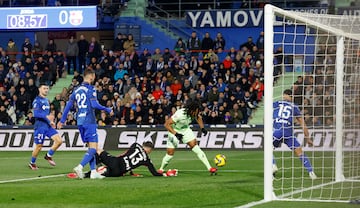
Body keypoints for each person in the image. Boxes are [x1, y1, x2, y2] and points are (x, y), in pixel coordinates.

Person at [57, 68, 113, 179]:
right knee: (94, 148)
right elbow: (94, 105)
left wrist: (62, 120)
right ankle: (80, 166)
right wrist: (107, 109)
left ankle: (93, 172)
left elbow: (68, 105)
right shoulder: (91, 88)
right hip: (89, 120)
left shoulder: (76, 90)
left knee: (90, 148)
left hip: (80, 121)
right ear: (91, 76)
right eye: (94, 76)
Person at [159, 100, 217, 174]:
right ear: (191, 110)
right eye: (196, 110)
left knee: (194, 145)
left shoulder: (194, 113)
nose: (197, 112)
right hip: (174, 130)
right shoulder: (180, 114)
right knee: (170, 153)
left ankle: (210, 168)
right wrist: (176, 134)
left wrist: (202, 128)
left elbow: (198, 117)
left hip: (185, 130)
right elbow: (167, 124)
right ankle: (161, 169)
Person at [272, 89, 317, 179]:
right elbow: (303, 124)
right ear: (291, 97)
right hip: (288, 132)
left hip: (277, 130)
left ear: (285, 95)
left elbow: (267, 115)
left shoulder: (276, 103)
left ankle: (273, 166)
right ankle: (311, 172)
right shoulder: (295, 107)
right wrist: (308, 138)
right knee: (300, 153)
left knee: (268, 149)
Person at [76, 141, 177, 178]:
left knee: (96, 149)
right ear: (149, 150)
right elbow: (155, 173)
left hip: (117, 161)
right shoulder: (147, 160)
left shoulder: (136, 145)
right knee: (105, 172)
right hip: (119, 172)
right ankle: (88, 174)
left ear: (143, 145)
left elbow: (125, 153)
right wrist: (165, 174)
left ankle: (95, 167)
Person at [29, 83, 63, 170]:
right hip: (40, 126)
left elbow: (46, 114)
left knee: (59, 141)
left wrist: (50, 121)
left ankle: (48, 155)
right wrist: (47, 119)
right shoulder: (37, 101)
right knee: (39, 146)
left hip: (47, 126)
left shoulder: (47, 100)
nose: (46, 90)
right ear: (39, 89)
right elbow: (36, 114)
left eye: (47, 88)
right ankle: (32, 163)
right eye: (44, 88)